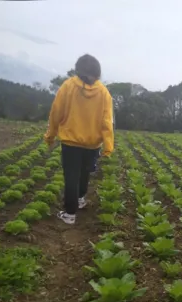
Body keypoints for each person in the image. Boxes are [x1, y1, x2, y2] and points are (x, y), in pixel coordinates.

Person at [44, 54, 114, 225]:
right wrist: (108, 145)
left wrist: (50, 135)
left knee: (71, 176)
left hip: (71, 142)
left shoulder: (68, 86)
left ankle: (69, 214)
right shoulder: (104, 92)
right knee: (84, 173)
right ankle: (81, 199)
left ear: (78, 70)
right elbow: (107, 121)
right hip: (92, 144)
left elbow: (56, 112)